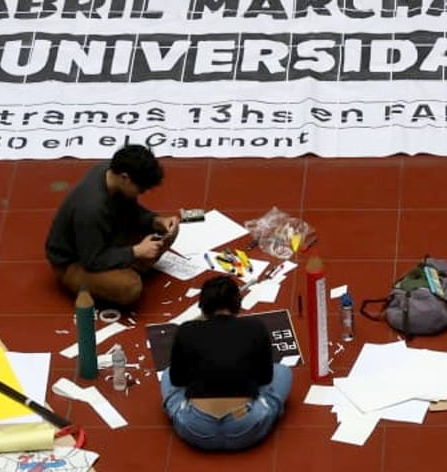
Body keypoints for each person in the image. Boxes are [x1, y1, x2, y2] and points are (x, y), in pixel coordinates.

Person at [159, 275, 295, 450]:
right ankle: (261, 412)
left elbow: (177, 380)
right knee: (283, 372)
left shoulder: (186, 330)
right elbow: (265, 378)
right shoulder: (255, 327)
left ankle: (182, 413)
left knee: (166, 375)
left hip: (196, 428)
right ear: (237, 304)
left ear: (203, 307)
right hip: (245, 426)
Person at [43, 144, 178, 309]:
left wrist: (155, 221)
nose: (141, 193)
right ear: (125, 178)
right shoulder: (91, 209)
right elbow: (92, 260)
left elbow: (131, 211)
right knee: (130, 287)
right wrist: (136, 251)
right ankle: (126, 268)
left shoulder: (111, 172)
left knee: (169, 230)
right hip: (75, 261)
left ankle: (131, 263)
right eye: (140, 189)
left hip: (105, 236)